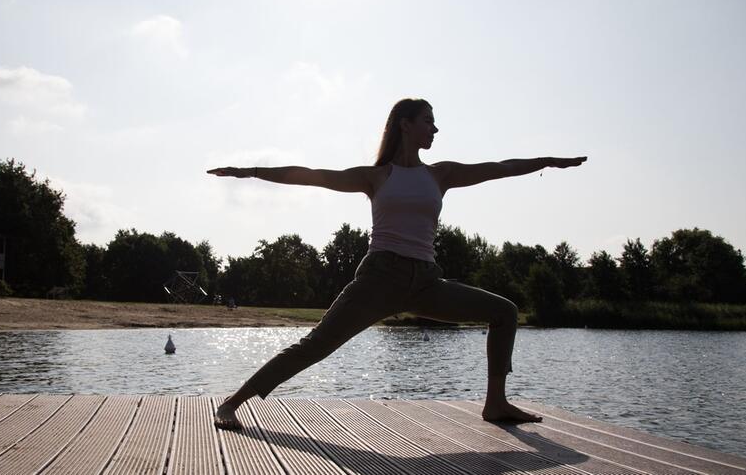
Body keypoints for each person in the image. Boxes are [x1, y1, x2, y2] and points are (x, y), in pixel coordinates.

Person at [207, 98, 587, 429]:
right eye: (428, 121)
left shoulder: (442, 174)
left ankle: (496, 404)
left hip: (426, 282)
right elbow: (310, 177)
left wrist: (547, 161)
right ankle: (231, 403)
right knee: (315, 346)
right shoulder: (376, 176)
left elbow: (499, 166)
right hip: (379, 279)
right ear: (405, 124)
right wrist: (250, 171)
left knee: (505, 311)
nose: (435, 129)